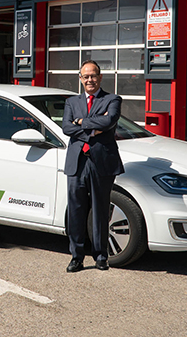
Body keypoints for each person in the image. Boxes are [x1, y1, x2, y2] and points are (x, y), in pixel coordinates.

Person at [62, 60, 124, 271]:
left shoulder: (112, 99)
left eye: (93, 75)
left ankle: (100, 256)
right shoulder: (71, 102)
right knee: (76, 211)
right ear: (80, 79)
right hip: (77, 162)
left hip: (102, 162)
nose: (89, 79)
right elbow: (66, 128)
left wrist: (81, 122)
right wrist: (93, 126)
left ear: (100, 77)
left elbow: (109, 122)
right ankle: (76, 257)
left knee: (100, 210)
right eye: (85, 76)